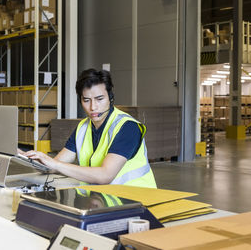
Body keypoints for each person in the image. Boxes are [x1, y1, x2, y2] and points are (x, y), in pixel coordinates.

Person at [24, 68, 157, 188]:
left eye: (99, 99)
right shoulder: (82, 128)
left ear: (110, 98)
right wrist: (26, 158)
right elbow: (53, 165)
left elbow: (105, 175)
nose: (93, 107)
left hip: (139, 200)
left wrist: (55, 164)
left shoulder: (127, 127)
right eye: (86, 100)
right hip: (109, 199)